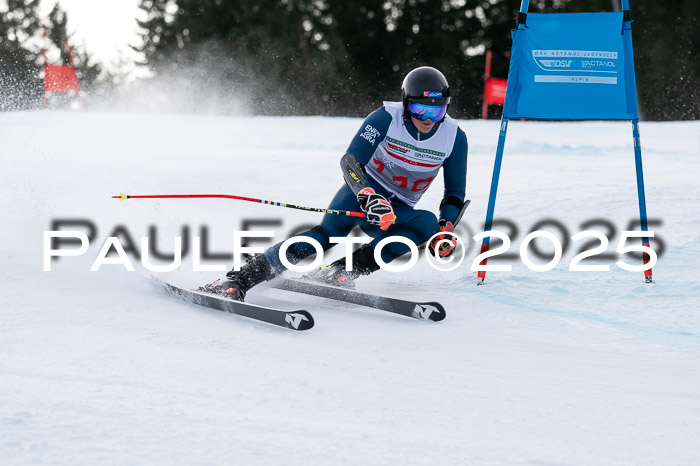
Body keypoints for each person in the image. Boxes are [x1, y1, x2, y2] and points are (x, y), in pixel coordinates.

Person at [203, 66, 468, 301]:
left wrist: (446, 226)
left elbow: (455, 192)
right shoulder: (385, 118)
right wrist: (368, 195)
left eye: (438, 111)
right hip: (363, 194)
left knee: (427, 224)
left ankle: (340, 271)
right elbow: (351, 161)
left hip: (397, 210)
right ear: (406, 104)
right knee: (321, 241)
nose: (428, 119)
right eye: (419, 110)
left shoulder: (453, 138)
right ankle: (239, 279)